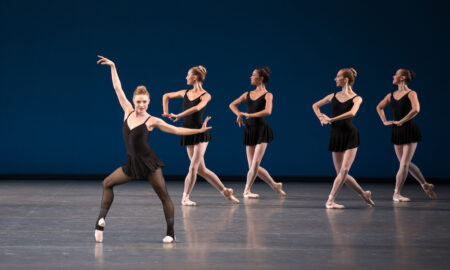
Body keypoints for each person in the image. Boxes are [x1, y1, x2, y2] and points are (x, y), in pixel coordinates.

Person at [94, 56, 212, 243]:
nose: (141, 105)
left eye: (145, 102)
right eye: (139, 101)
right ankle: (100, 223)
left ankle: (171, 234)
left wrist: (199, 130)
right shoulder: (127, 111)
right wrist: (113, 66)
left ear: (148, 103)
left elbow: (177, 130)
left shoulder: (152, 120)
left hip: (149, 164)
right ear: (133, 100)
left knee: (164, 196)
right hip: (131, 165)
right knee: (107, 183)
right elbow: (118, 88)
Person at [162, 66, 239, 205]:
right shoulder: (185, 92)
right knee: (201, 170)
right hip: (188, 132)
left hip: (200, 132)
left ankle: (185, 198)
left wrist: (179, 115)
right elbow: (166, 96)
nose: (186, 78)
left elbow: (197, 108)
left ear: (195, 77)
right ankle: (225, 191)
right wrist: (166, 112)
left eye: (188, 75)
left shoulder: (206, 95)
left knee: (193, 167)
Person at [312, 68, 374, 209]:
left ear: (345, 79)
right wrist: (321, 117)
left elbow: (352, 112)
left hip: (350, 135)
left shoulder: (357, 98)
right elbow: (315, 105)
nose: (335, 79)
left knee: (344, 171)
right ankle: (364, 194)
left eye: (337, 76)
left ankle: (330, 200)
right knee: (341, 174)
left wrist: (331, 119)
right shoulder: (332, 96)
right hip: (336, 135)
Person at [376, 69, 436, 202]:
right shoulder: (390, 95)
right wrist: (385, 121)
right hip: (397, 131)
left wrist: (402, 121)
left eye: (396, 74)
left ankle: (396, 193)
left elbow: (416, 109)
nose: (393, 76)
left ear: (402, 78)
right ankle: (425, 185)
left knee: (404, 164)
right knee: (405, 164)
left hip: (409, 130)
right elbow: (379, 107)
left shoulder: (411, 93)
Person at [229, 67, 286, 198]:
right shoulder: (247, 94)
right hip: (249, 129)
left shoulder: (268, 95)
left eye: (253, 75)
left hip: (262, 129)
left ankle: (246, 190)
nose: (250, 77)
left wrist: (249, 114)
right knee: (252, 166)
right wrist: (239, 114)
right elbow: (232, 104)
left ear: (261, 78)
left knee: (255, 164)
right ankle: (275, 185)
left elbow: (268, 111)